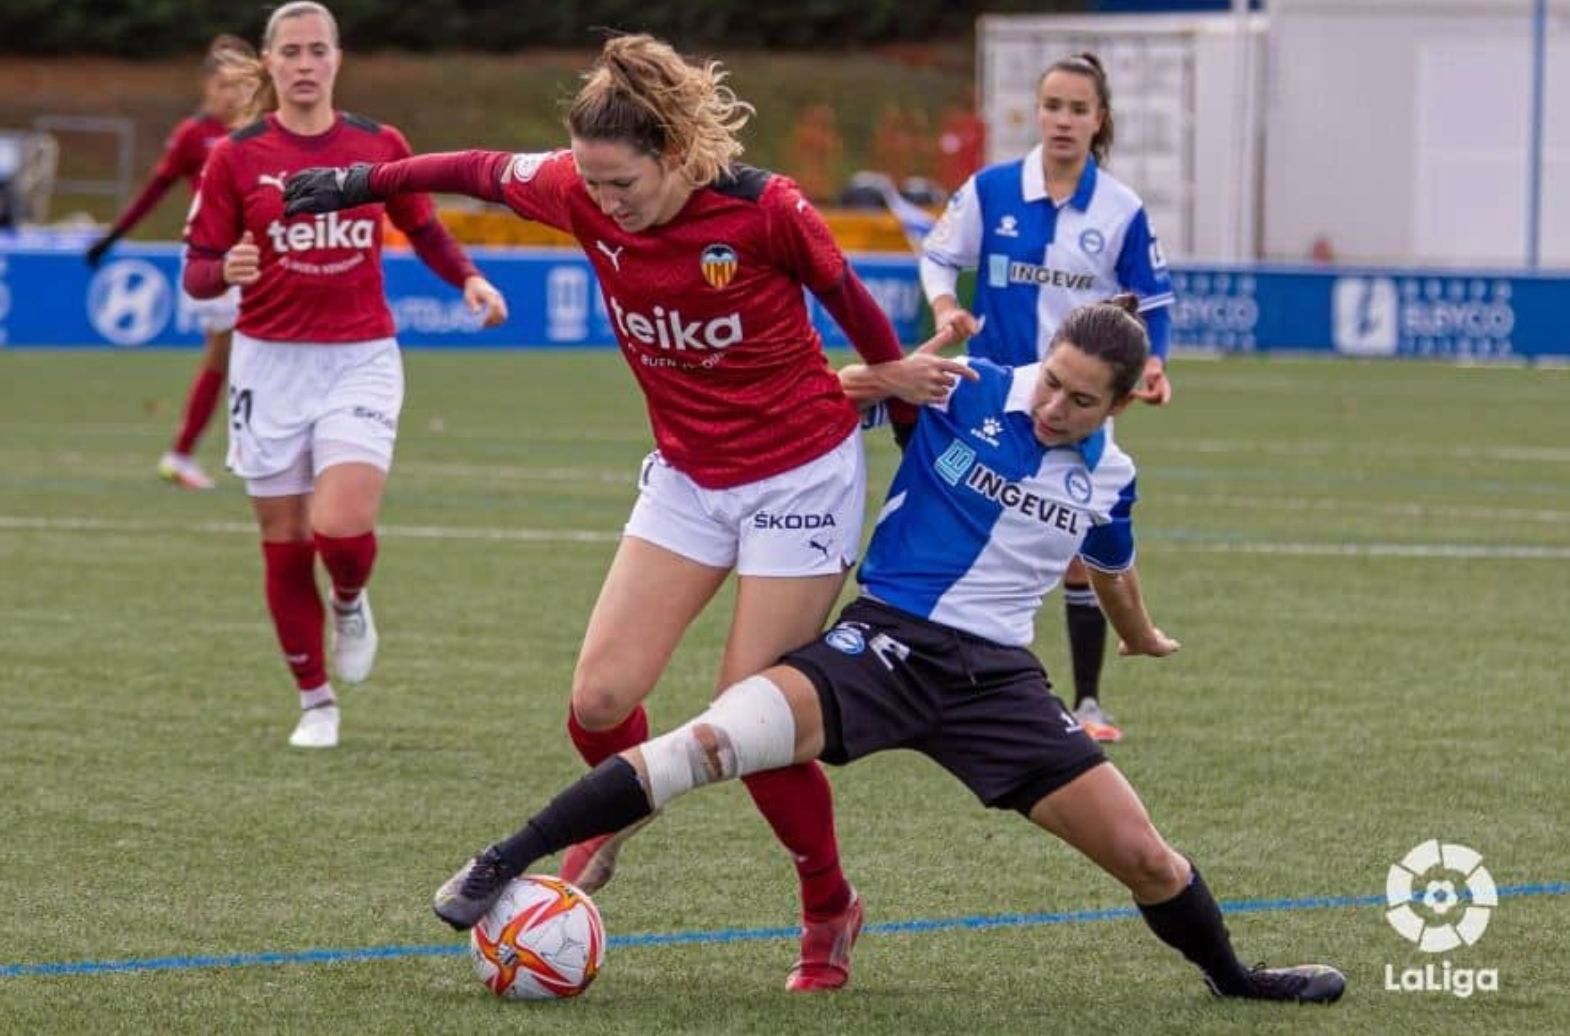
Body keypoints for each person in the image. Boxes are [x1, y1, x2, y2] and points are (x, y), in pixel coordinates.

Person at [283, 33, 971, 990]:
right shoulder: (576, 187)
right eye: (593, 187)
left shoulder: (766, 210)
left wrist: (897, 394)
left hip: (800, 476)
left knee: (755, 716)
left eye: (623, 186)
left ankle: (827, 903)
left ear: (677, 157)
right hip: (689, 477)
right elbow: (473, 170)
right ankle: (618, 812)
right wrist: (363, 185)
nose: (604, 205)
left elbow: (847, 297)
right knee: (599, 702)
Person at [429, 297, 1347, 1006]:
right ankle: (501, 861)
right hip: (882, 645)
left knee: (1149, 860)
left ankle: (1236, 979)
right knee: (707, 742)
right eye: (1052, 381)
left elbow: (1109, 564)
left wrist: (1139, 635)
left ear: (1122, 403)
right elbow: (824, 399)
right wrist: (886, 376)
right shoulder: (971, 386)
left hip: (996, 685)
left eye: (1080, 399)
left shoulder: (1112, 474)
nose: (1054, 405)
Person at [182, 1, 507, 749]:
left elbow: (422, 225)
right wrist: (220, 270)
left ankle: (352, 600)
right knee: (285, 539)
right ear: (269, 63)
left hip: (359, 356)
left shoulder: (376, 143)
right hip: (267, 363)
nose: (303, 64)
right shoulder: (236, 156)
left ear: (336, 59)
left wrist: (468, 280)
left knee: (341, 524)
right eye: (290, 51)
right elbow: (198, 269)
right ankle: (315, 701)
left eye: (316, 50)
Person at [920, 53, 1176, 744]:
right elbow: (939, 254)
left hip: (1078, 406)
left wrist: (1152, 363)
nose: (1063, 120)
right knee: (975, 528)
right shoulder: (993, 190)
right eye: (1052, 106)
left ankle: (1087, 703)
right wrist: (947, 307)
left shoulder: (1120, 209)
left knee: (1072, 544)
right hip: (1000, 400)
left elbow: (1153, 302)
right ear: (1037, 113)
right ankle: (946, 677)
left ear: (1100, 120)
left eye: (1078, 109)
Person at [85, 34, 259, 489]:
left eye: (240, 85)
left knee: (250, 353)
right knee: (229, 352)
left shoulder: (263, 132)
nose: (232, 94)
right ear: (206, 87)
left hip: (260, 253)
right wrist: (113, 236)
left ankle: (217, 450)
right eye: (223, 84)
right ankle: (188, 453)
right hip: (215, 255)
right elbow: (155, 189)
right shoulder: (194, 135)